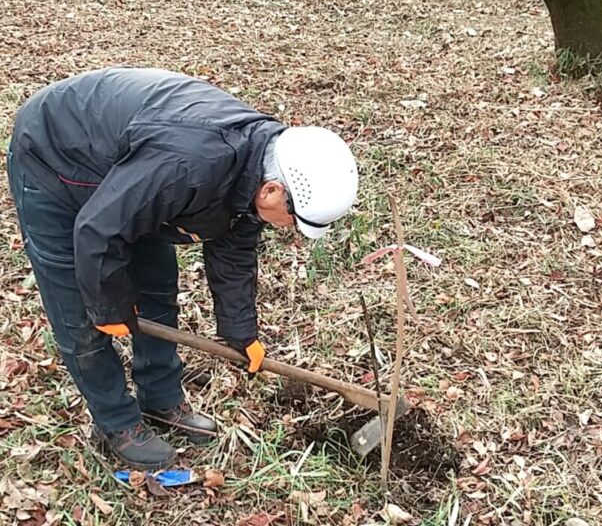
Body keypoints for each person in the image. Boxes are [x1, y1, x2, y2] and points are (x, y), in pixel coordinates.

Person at [7, 67, 359, 470]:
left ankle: (160, 399)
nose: (290, 229)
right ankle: (116, 423)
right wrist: (107, 309)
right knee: (80, 316)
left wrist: (239, 333)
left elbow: (234, 253)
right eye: (292, 220)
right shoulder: (190, 163)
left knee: (156, 288)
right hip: (55, 160)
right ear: (273, 190)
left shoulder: (254, 163)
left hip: (130, 175)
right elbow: (99, 231)